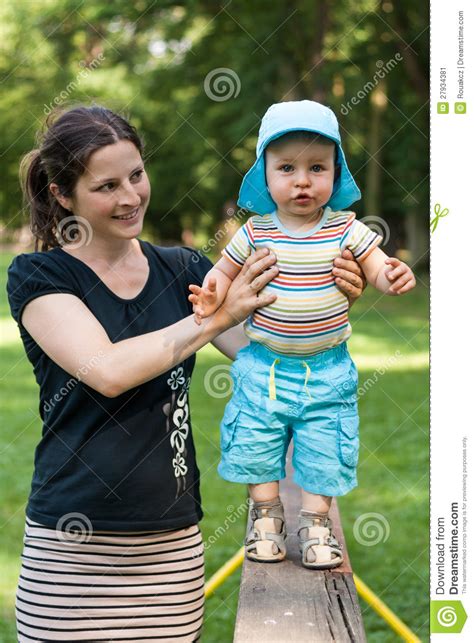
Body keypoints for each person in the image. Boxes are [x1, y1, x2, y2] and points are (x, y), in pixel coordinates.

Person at [6, 104, 365, 641]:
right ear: (62, 194)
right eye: (107, 186)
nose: (130, 197)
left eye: (136, 175)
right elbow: (106, 369)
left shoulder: (183, 271)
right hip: (73, 551)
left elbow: (261, 356)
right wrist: (216, 317)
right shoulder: (41, 276)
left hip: (173, 546)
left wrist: (325, 305)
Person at [188, 100, 416, 570]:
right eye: (287, 167)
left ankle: (316, 523)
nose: (303, 180)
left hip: (327, 371)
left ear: (336, 172)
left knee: (326, 446)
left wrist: (389, 276)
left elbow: (374, 264)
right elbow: (223, 272)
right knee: (255, 442)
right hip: (264, 367)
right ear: (265, 175)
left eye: (317, 167)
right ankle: (266, 517)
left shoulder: (344, 227)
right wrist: (212, 296)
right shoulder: (256, 231)